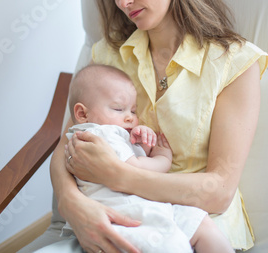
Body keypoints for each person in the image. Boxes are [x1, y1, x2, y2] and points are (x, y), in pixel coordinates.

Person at [48, 0, 268, 252]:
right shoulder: (107, 55)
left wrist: (119, 176)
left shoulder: (234, 62)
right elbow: (68, 145)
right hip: (119, 217)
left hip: (200, 227)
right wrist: (71, 204)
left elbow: (220, 190)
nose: (123, 1)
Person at [58, 63, 234, 253]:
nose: (129, 118)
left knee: (197, 220)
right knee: (176, 240)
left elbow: (125, 160)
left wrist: (142, 145)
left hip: (143, 205)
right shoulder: (100, 134)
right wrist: (162, 157)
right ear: (82, 114)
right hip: (126, 214)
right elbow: (136, 168)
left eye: (133, 111)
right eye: (118, 109)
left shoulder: (98, 134)